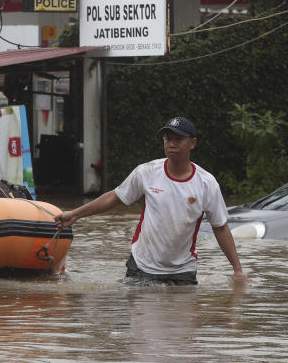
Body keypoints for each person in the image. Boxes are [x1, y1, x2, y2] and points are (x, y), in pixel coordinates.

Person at [57, 116, 246, 286]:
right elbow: (114, 197)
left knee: (185, 325)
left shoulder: (207, 183)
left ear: (193, 143)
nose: (172, 144)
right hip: (142, 265)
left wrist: (237, 270)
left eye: (178, 139)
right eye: (167, 139)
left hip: (183, 271)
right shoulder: (146, 172)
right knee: (144, 324)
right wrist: (74, 214)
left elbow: (220, 227)